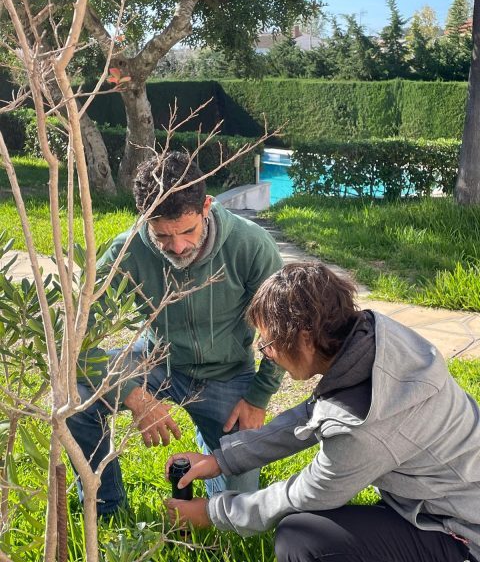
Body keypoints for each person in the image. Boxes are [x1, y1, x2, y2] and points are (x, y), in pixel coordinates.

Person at [166, 261, 480, 562]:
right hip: (449, 497)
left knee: (302, 540)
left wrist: (212, 512)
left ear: (304, 339)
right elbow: (315, 413)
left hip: (463, 532)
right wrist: (222, 460)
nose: (267, 354)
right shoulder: (375, 337)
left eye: (269, 343)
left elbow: (305, 494)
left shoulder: (364, 426)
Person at [67, 151, 284, 516]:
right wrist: (133, 395)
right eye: (163, 235)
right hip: (159, 362)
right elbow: (76, 337)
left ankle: (210, 462)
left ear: (207, 207)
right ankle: (105, 506)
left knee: (241, 505)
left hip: (230, 375)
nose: (178, 246)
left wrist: (259, 396)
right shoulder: (127, 251)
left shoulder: (251, 245)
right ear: (144, 219)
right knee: (76, 397)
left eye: (188, 231)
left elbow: (283, 328)